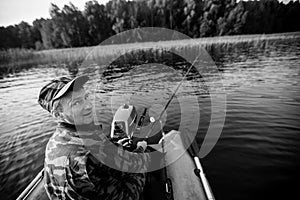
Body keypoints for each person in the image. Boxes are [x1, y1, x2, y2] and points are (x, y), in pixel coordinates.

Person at [38, 75, 149, 200]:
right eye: (76, 103)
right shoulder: (89, 154)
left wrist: (115, 146)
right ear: (58, 114)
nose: (88, 106)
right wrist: (141, 150)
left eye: (86, 97)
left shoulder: (54, 141)